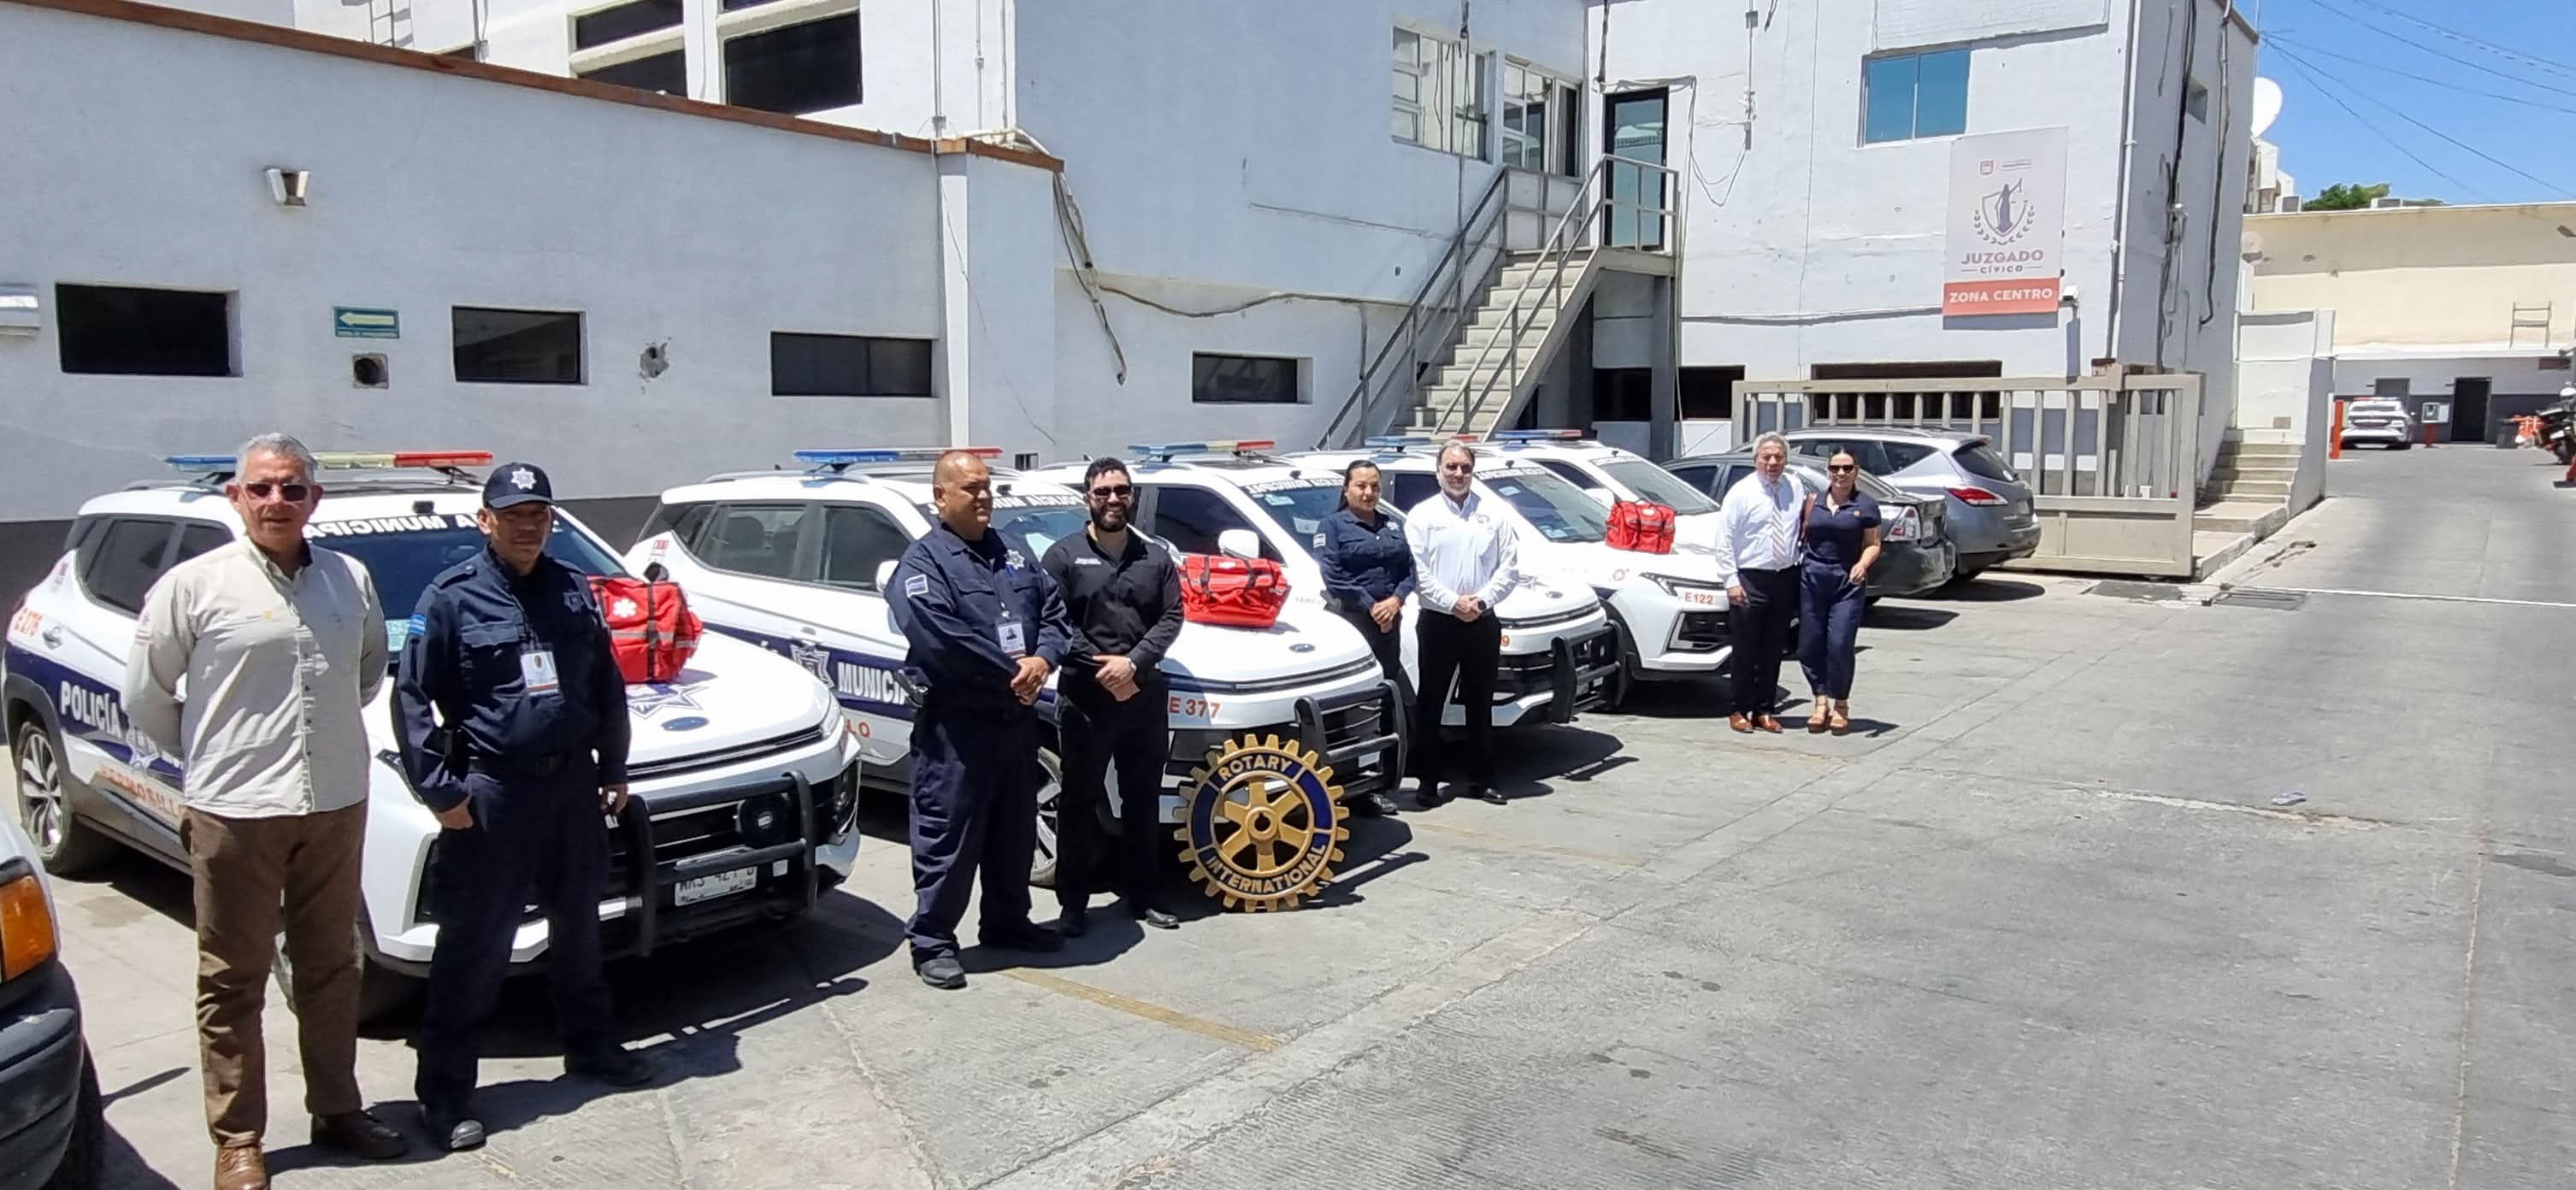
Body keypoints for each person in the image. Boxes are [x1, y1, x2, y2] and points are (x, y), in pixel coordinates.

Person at [126, 433, 410, 1190]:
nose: (276, 501)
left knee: (332, 966)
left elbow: (364, 676)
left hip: (334, 802)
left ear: (314, 498)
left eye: (291, 487)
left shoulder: (350, 578)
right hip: (235, 809)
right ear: (236, 497)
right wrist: (215, 754)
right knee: (233, 977)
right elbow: (148, 697)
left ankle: (338, 1109)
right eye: (261, 488)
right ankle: (239, 1137)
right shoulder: (194, 586)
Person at [393, 461, 650, 1153]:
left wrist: (614, 765)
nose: (528, 526)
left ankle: (591, 1047)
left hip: (571, 789)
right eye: (513, 515)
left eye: (538, 514)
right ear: (487, 521)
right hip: (494, 795)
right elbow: (411, 697)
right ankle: (446, 1096)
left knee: (580, 929)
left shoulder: (572, 589)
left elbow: (605, 685)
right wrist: (440, 791)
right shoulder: (451, 598)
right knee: (475, 946)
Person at [887, 450, 1073, 989]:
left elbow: (1054, 612)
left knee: (1013, 830)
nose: (984, 496)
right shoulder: (923, 564)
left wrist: (1043, 660)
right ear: (940, 497)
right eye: (971, 488)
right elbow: (941, 638)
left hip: (1015, 722)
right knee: (949, 835)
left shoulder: (1012, 552)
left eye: (987, 486)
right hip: (958, 729)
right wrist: (1014, 672)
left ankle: (1007, 922)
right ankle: (932, 941)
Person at [1041, 457, 1183, 935]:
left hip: (1143, 696)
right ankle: (1073, 905)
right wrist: (1104, 668)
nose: (1113, 500)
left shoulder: (1155, 558)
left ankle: (1143, 895)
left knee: (1142, 797)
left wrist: (1134, 664)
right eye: (1103, 492)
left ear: (1132, 496)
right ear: (1088, 497)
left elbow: (1172, 618)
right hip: (1086, 698)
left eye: (1121, 491)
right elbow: (1055, 621)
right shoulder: (1062, 557)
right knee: (1079, 800)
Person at [1401, 441, 1518, 807]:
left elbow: (1509, 569)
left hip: (1482, 621)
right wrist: (1453, 603)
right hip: (1438, 622)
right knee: (1431, 701)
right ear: (1438, 471)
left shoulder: (1495, 515)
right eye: (1451, 467)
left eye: (1465, 467)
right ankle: (1428, 781)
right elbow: (1417, 572)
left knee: (1480, 704)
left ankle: (1484, 779)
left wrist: (1480, 602)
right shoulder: (1421, 516)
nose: (1458, 473)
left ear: (1473, 471)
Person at [1312, 459, 1412, 817]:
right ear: (1346, 489)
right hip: (1353, 623)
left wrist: (1396, 601)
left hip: (1389, 622)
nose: (1369, 493)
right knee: (1350, 705)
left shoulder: (1392, 525)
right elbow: (1333, 576)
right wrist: (1373, 606)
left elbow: (1411, 570)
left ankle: (1379, 783)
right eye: (1361, 486)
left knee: (1384, 700)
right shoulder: (1332, 526)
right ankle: (1345, 784)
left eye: (1374, 486)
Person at [1713, 432, 1807, 734]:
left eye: (1779, 457)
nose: (1773, 462)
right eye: (1766, 457)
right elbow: (1724, 539)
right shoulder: (1741, 492)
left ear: (1786, 460)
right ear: (1755, 460)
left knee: (1773, 648)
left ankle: (1765, 710)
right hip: (1750, 579)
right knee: (1746, 649)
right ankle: (1739, 709)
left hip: (1784, 578)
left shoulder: (1794, 486)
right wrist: (1731, 581)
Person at [1797, 451, 1881, 734]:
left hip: (1847, 582)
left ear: (1856, 471)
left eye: (1847, 468)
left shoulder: (1866, 505)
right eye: (1835, 468)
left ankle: (1841, 703)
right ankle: (1820, 701)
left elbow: (1873, 543)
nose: (1840, 473)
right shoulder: (1814, 502)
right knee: (1810, 644)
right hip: (1812, 579)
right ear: (1828, 471)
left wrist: (1862, 564)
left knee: (1840, 644)